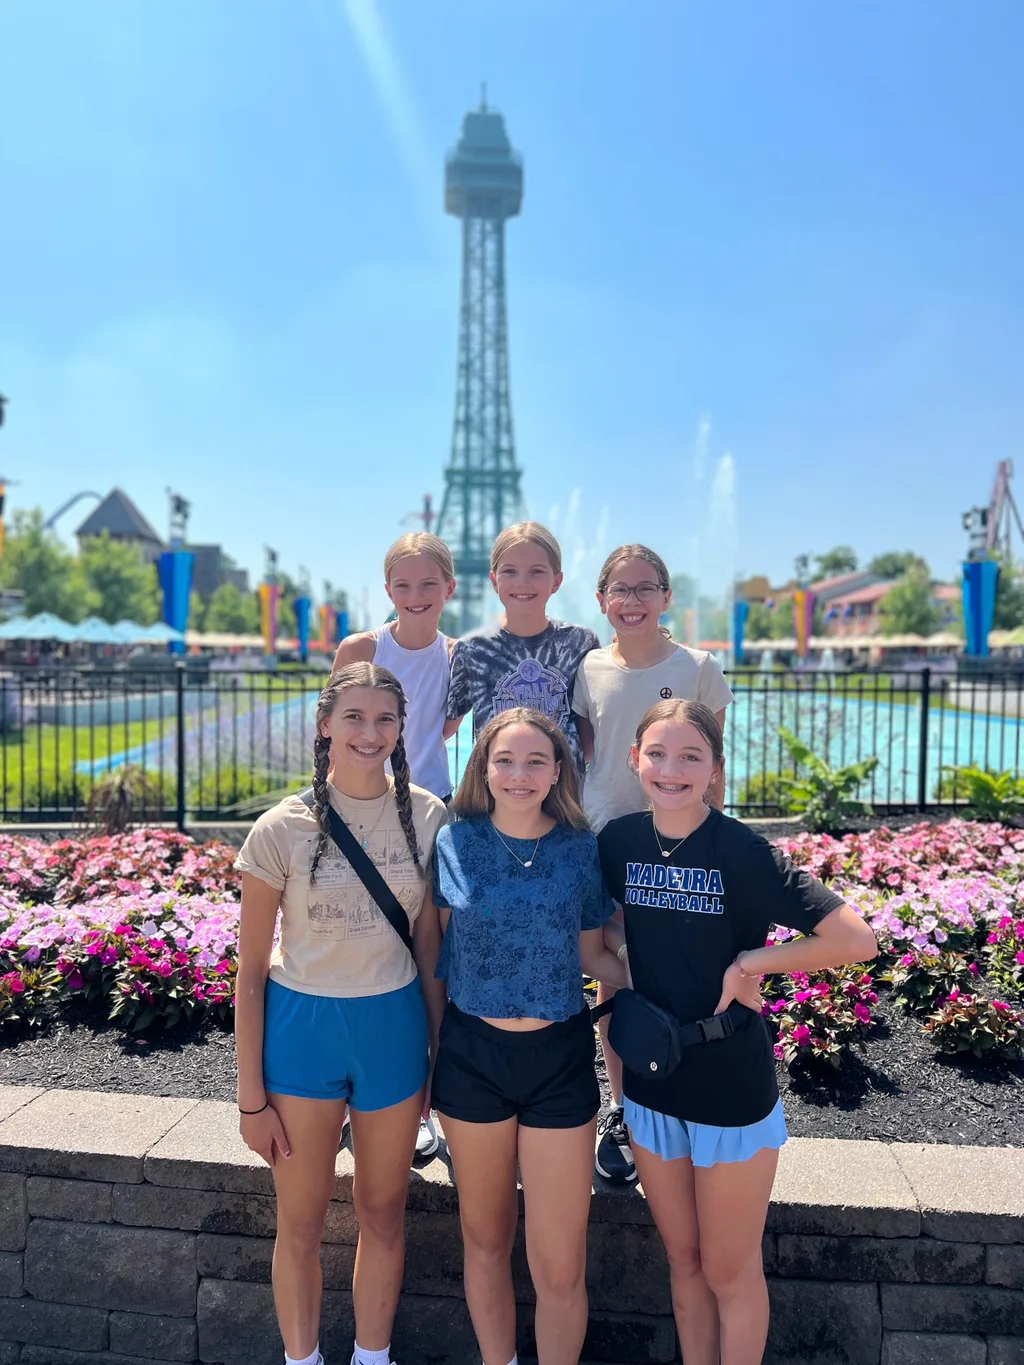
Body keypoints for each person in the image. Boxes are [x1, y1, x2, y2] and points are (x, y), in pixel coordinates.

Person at [597, 699, 878, 1365]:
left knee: (729, 1269)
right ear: (635, 759)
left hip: (729, 1083)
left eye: (691, 755)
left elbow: (854, 937)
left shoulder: (741, 851)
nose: (672, 768)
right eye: (658, 753)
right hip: (652, 1083)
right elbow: (610, 929)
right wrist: (628, 947)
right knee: (686, 1263)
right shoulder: (620, 843)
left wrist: (754, 961)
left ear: (716, 770)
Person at [234, 663, 448, 1365]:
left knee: (383, 1212)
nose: (370, 731)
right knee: (299, 1219)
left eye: (384, 718)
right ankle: (302, 1359)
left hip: (391, 1028)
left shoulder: (428, 814)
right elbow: (250, 973)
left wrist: (437, 1060)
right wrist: (250, 1098)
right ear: (325, 723)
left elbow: (428, 953)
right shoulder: (282, 827)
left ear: (401, 726)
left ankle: (371, 1355)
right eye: (353, 716)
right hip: (302, 1032)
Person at [431, 707, 627, 1365]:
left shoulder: (579, 850)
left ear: (557, 771)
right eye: (505, 759)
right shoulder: (454, 843)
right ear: (483, 768)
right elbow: (435, 953)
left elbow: (595, 956)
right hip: (471, 1059)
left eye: (534, 760)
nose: (519, 773)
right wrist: (429, 1059)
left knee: (560, 1263)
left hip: (557, 1062)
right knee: (484, 1241)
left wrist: (676, 971)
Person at [573, 544, 734, 1184]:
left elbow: (716, 765)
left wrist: (715, 843)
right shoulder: (587, 669)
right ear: (601, 599)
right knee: (615, 973)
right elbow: (594, 758)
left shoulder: (698, 667)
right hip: (607, 840)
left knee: (684, 969)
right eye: (620, 588)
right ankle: (625, 1105)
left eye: (646, 588)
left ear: (667, 597)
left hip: (681, 840)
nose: (632, 600)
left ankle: (684, 1097)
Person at [332, 533, 456, 1158]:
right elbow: (338, 721)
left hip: (428, 814)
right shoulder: (362, 648)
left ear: (449, 589)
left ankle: (422, 1100)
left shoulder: (457, 657)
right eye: (403, 585)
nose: (415, 596)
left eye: (428, 584)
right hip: (362, 808)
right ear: (387, 591)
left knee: (427, 953)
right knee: (373, 949)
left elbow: (453, 726)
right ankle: (368, 1096)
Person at [443, 522, 599, 777]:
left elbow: (590, 736)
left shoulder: (580, 643)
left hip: (565, 801)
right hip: (497, 799)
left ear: (557, 580)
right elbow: (445, 730)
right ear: (494, 580)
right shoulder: (472, 650)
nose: (523, 582)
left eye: (536, 572)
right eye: (510, 572)